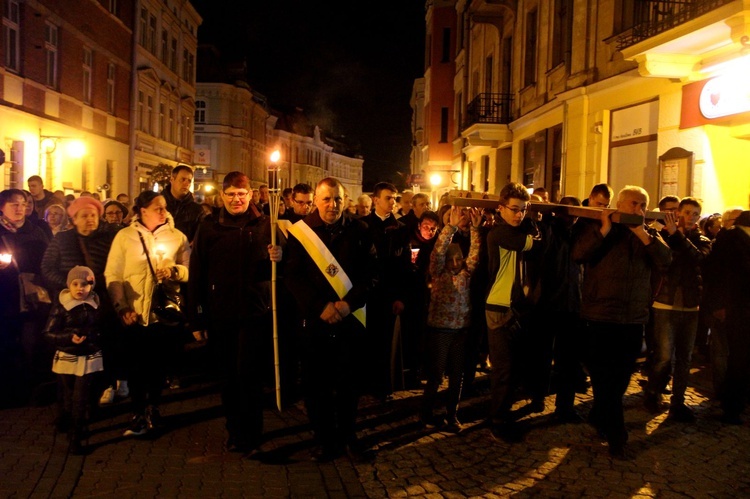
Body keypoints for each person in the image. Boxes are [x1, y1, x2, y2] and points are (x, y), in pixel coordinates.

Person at [572, 185, 671, 457]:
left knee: (621, 377)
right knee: (604, 377)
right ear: (619, 205)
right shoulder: (602, 229)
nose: (637, 209)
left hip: (632, 319)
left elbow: (666, 261)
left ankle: (599, 415)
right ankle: (618, 436)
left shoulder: (649, 234)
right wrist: (602, 230)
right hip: (600, 315)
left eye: (642, 205)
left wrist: (642, 233)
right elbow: (578, 254)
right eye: (632, 204)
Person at [187, 172, 282, 454]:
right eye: (230, 194)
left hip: (254, 313)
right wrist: (196, 317)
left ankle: (252, 433)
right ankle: (235, 430)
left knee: (250, 376)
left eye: (241, 194)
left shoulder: (266, 225)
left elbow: (279, 270)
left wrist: (279, 255)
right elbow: (197, 274)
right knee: (229, 377)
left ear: (251, 194)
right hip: (221, 313)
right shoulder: (209, 227)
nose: (236, 199)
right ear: (222, 196)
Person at [285, 177, 376, 462]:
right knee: (316, 385)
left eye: (337, 199)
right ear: (316, 201)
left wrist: (349, 304)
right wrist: (319, 306)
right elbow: (293, 276)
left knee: (349, 385)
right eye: (326, 199)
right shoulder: (301, 233)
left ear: (344, 200)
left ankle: (349, 438)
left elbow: (370, 275)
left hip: (350, 319)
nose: (332, 205)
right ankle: (324, 440)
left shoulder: (360, 230)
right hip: (317, 321)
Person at [104, 191, 190, 437]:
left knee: (158, 366)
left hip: (163, 314)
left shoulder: (177, 237)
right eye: (158, 208)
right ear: (142, 211)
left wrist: (175, 272)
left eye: (164, 208)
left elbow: (189, 269)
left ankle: (153, 408)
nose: (164, 212)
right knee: (136, 366)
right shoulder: (125, 236)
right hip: (135, 314)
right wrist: (122, 307)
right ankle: (137, 411)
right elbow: (114, 274)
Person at [485, 182, 544, 443]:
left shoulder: (513, 230)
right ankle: (496, 420)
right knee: (503, 369)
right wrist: (534, 224)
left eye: (523, 210)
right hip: (499, 308)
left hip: (516, 307)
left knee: (514, 367)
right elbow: (536, 244)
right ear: (501, 209)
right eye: (514, 209)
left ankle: (504, 413)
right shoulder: (499, 234)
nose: (519, 214)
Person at [643, 197, 710, 422]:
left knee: (685, 358)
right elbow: (665, 262)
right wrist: (672, 235)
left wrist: (677, 235)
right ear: (678, 214)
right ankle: (653, 392)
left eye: (695, 214)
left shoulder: (702, 240)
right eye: (687, 212)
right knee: (663, 356)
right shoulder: (664, 237)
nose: (691, 217)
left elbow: (698, 258)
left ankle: (678, 404)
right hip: (665, 303)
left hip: (691, 306)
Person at [420, 206, 481, 433]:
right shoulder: (439, 274)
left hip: (460, 331)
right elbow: (437, 251)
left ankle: (451, 415)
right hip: (440, 330)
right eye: (451, 259)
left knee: (458, 375)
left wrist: (475, 229)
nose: (456, 262)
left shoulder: (466, 274)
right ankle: (425, 414)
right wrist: (451, 227)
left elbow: (475, 252)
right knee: (436, 376)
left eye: (459, 259)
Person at [43, 266, 104, 454]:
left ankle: (76, 436)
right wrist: (70, 337)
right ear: (69, 285)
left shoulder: (95, 303)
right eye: (75, 284)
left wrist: (94, 337)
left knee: (80, 397)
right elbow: (49, 333)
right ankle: (71, 428)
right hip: (67, 357)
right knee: (70, 397)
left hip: (89, 356)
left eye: (84, 284)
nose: (80, 288)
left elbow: (102, 329)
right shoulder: (62, 305)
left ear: (91, 285)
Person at [0, 189, 51, 406]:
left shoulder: (36, 231)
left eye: (23, 204)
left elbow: (47, 260)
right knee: (6, 341)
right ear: (2, 207)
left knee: (31, 340)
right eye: (14, 205)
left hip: (31, 296)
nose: (20, 208)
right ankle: (7, 391)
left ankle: (30, 388)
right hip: (5, 296)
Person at [362, 182, 410, 401]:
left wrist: (400, 295)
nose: (392, 201)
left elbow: (404, 265)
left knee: (385, 341)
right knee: (365, 339)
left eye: (394, 197)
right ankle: (364, 383)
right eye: (388, 197)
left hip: (389, 293)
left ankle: (383, 386)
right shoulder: (362, 226)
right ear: (376, 199)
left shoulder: (400, 229)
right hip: (365, 292)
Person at [703, 210, 750, 424]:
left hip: (740, 306)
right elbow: (716, 275)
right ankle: (732, 406)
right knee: (737, 358)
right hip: (736, 308)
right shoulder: (730, 241)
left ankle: (736, 403)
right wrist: (718, 305)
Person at [162, 164, 205, 242]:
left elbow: (201, 236)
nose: (186, 183)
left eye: (189, 180)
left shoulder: (197, 210)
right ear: (172, 179)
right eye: (183, 179)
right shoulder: (158, 206)